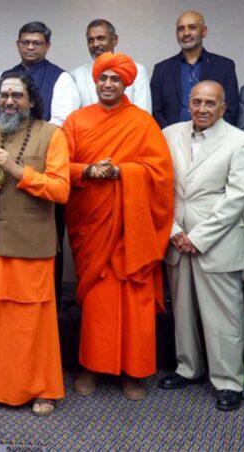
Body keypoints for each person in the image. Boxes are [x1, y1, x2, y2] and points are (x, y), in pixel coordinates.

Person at [63, 52, 174, 400]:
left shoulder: (142, 122)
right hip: (93, 224)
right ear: (94, 82)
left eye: (115, 79)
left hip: (132, 230)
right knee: (98, 303)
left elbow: (160, 174)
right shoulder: (77, 121)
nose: (108, 84)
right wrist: (87, 171)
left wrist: (122, 172)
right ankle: (92, 368)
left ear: (127, 83)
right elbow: (60, 166)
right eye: (103, 79)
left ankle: (133, 372)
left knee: (134, 300)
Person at [0, 72, 69, 417]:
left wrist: (15, 169)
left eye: (17, 95)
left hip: (31, 246)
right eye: (4, 95)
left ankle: (42, 390)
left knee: (31, 322)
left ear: (32, 100)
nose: (9, 101)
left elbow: (60, 190)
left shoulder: (51, 135)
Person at [160, 81, 244, 411]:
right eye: (197, 102)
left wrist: (198, 238)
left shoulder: (240, 142)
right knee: (182, 309)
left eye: (210, 103)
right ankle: (188, 368)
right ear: (189, 102)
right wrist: (174, 231)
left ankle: (229, 381)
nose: (202, 108)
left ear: (223, 107)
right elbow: (159, 187)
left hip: (217, 239)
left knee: (224, 316)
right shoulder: (169, 134)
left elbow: (238, 197)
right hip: (175, 235)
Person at [0, 21, 79, 308]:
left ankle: (54, 296)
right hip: (0, 160)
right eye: (25, 42)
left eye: (36, 43)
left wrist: (26, 151)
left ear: (47, 46)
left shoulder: (61, 78)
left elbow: (62, 122)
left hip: (43, 160)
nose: (30, 47)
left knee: (47, 229)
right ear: (18, 45)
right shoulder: (3, 77)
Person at [151, 11, 240, 128]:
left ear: (204, 31)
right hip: (172, 141)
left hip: (214, 140)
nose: (186, 33)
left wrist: (210, 135)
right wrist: (171, 135)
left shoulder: (224, 66)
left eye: (192, 28)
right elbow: (155, 110)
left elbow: (231, 109)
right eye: (181, 29)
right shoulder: (161, 69)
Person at [70, 19, 151, 112]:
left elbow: (143, 113)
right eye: (91, 40)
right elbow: (72, 115)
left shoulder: (137, 70)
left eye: (101, 38)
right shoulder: (76, 75)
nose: (95, 44)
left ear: (115, 40)